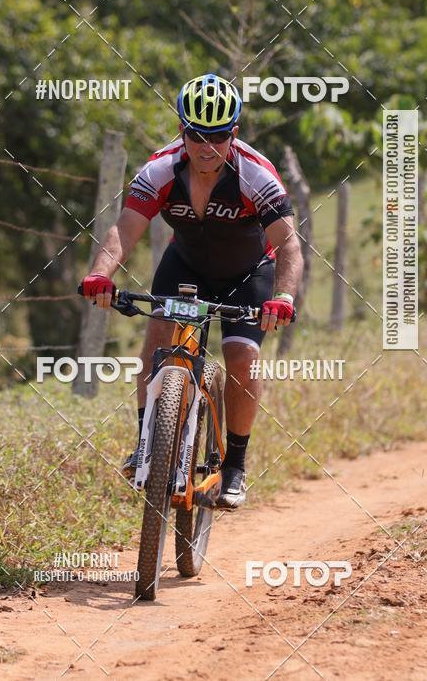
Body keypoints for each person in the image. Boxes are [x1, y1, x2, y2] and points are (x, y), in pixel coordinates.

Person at [80, 73, 304, 508]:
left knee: (241, 357)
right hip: (186, 265)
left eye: (218, 137)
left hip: (248, 274)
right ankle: (147, 443)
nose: (207, 147)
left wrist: (283, 298)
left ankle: (235, 466)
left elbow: (289, 244)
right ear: (182, 130)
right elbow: (125, 229)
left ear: (234, 133)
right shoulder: (160, 169)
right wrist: (100, 275)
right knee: (156, 341)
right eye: (197, 135)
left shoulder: (255, 175)